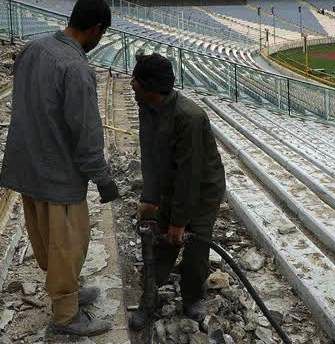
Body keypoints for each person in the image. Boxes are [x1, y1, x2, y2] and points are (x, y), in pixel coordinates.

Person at [0, 0, 118, 336]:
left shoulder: (33, 49)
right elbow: (86, 132)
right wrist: (102, 177)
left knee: (48, 241)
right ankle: (66, 316)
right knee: (68, 245)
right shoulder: (76, 68)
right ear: (96, 30)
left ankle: (72, 292)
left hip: (27, 167)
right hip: (58, 175)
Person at [128, 54, 226, 329]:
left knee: (195, 247)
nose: (131, 83)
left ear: (152, 87)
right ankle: (149, 300)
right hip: (171, 185)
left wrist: (179, 223)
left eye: (136, 80)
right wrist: (150, 198)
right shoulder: (146, 106)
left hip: (202, 190)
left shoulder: (189, 117)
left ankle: (193, 299)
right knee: (158, 247)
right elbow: (149, 155)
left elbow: (190, 175)